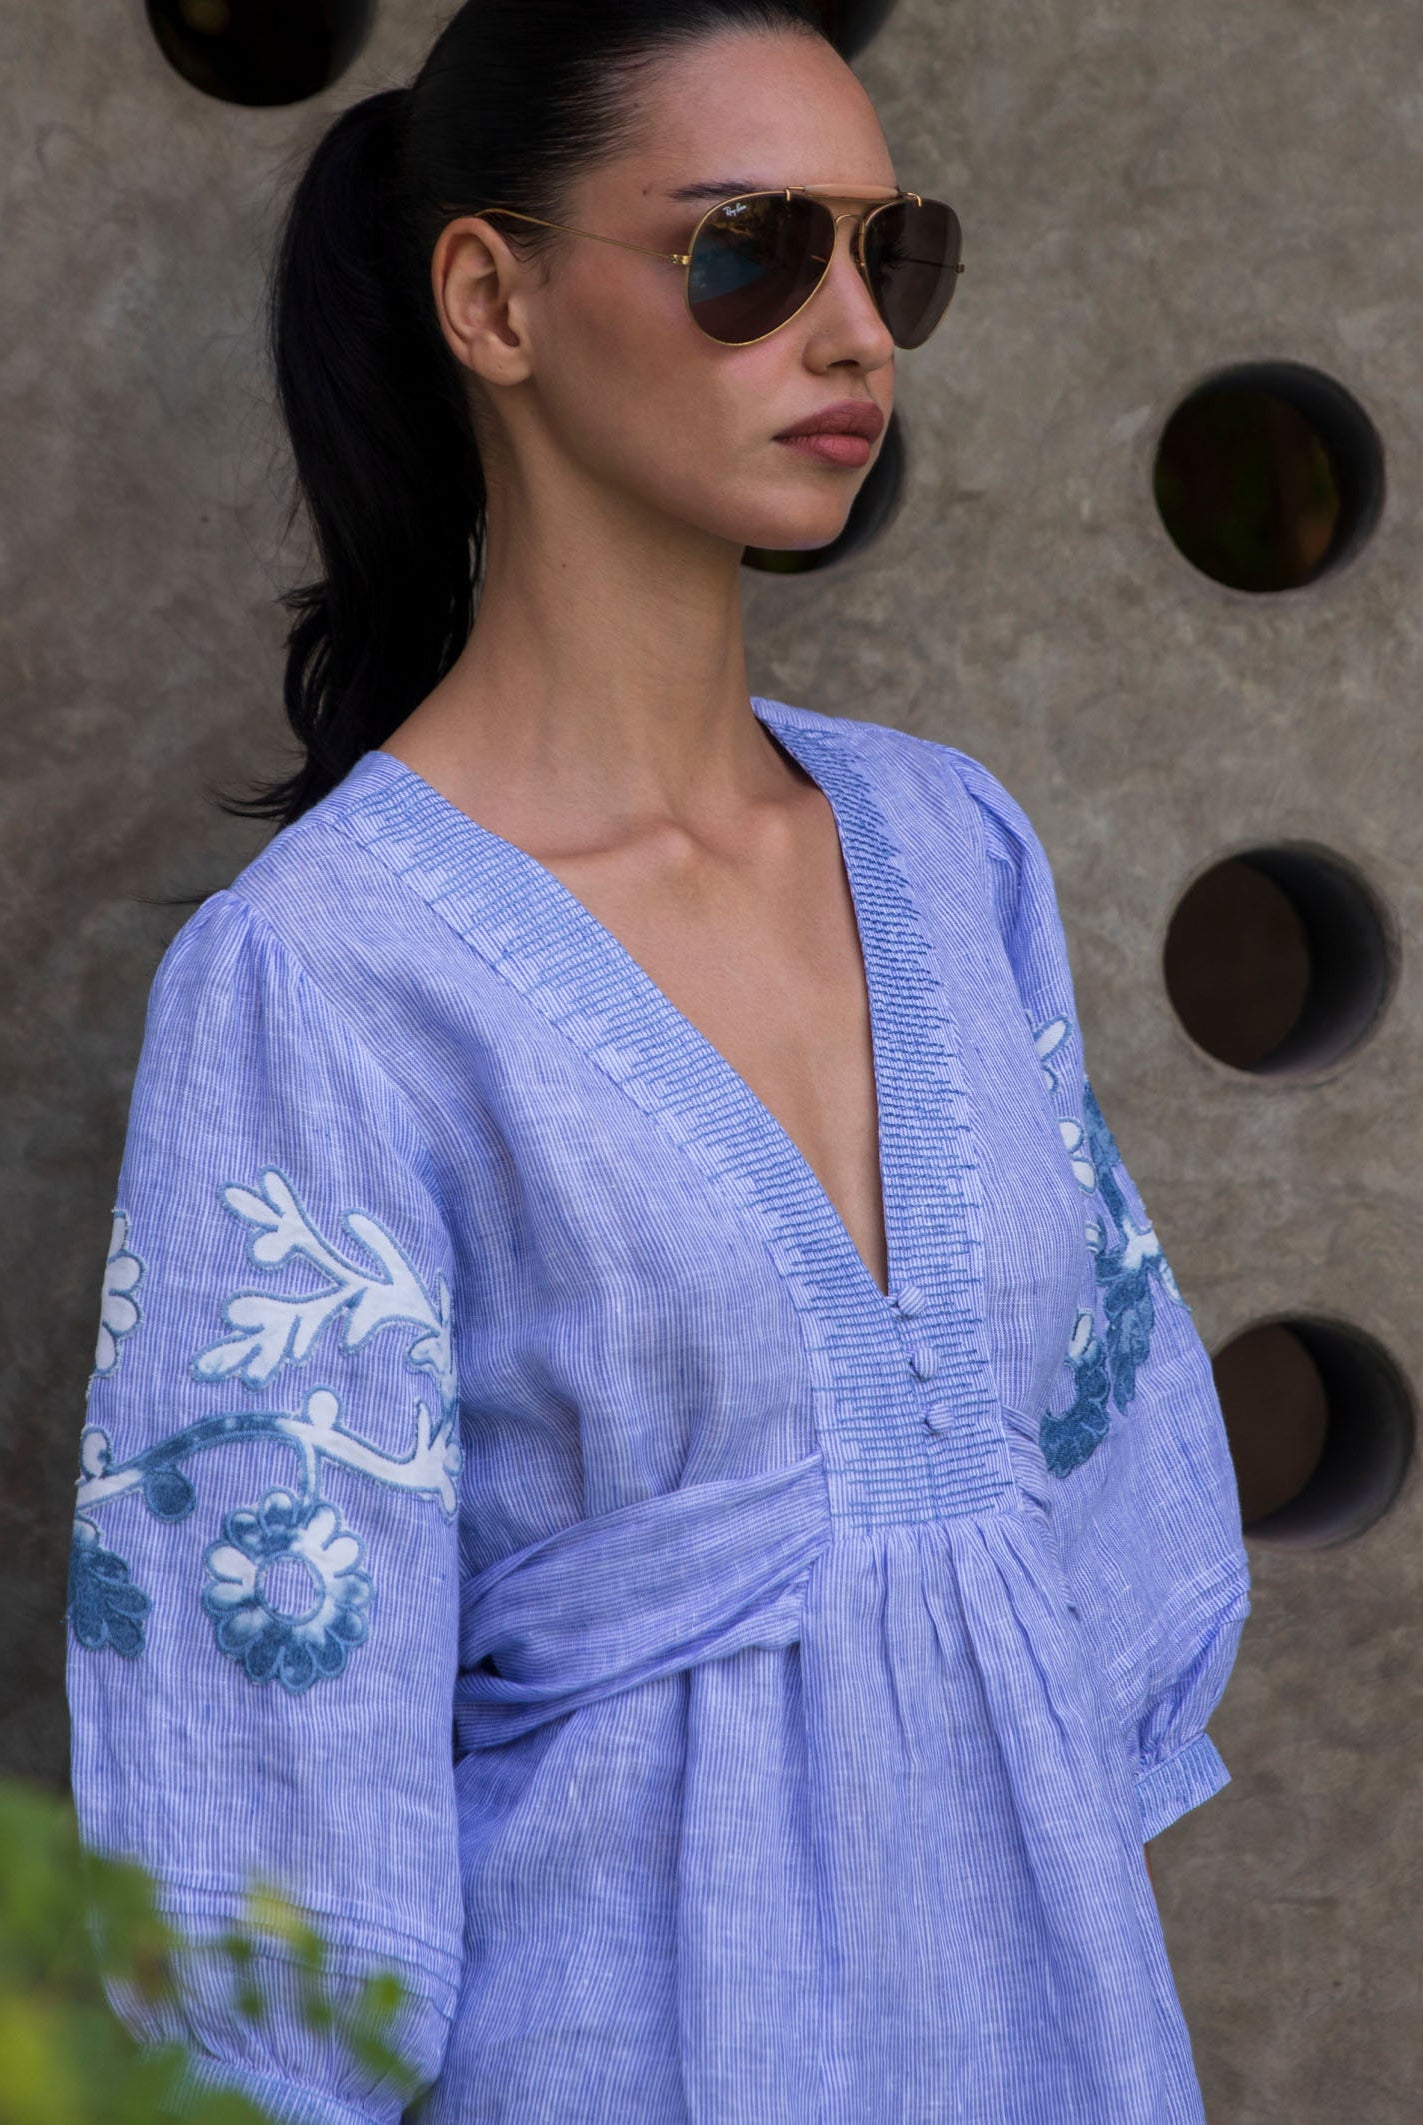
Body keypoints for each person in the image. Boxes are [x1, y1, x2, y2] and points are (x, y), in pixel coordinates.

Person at [65, 2, 1252, 2119]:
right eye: (747, 251)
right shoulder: (320, 979)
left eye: (891, 260)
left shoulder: (950, 845)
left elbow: (1097, 1559)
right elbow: (260, 1808)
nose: (852, 333)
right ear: (491, 297)